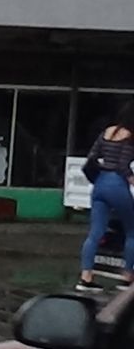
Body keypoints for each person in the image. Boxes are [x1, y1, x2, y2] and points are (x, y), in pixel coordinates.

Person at [78, 102, 134, 290]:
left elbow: (92, 156)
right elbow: (124, 167)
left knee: (95, 233)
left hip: (100, 184)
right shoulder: (129, 137)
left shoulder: (106, 132)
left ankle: (86, 278)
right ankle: (127, 277)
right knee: (132, 231)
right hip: (117, 184)